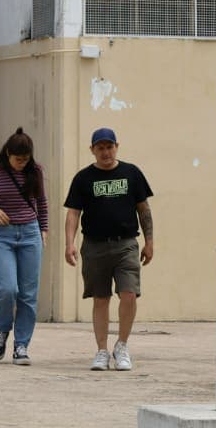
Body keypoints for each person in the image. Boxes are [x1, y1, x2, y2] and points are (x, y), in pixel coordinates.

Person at [63, 127, 154, 372]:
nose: (105, 152)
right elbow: (73, 212)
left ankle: (122, 346)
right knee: (101, 298)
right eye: (100, 147)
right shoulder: (83, 178)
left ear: (117, 146)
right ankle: (102, 351)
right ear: (92, 150)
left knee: (129, 294)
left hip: (126, 244)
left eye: (109, 146)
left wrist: (150, 241)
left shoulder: (131, 173)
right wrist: (69, 243)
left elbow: (143, 209)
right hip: (94, 245)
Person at [0, 127, 48, 365]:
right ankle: (3, 330)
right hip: (3, 236)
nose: (21, 164)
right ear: (7, 153)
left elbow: (41, 203)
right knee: (8, 289)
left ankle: (22, 346)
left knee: (28, 295)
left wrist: (43, 230)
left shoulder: (35, 171)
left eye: (25, 160)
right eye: (17, 159)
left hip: (30, 233)